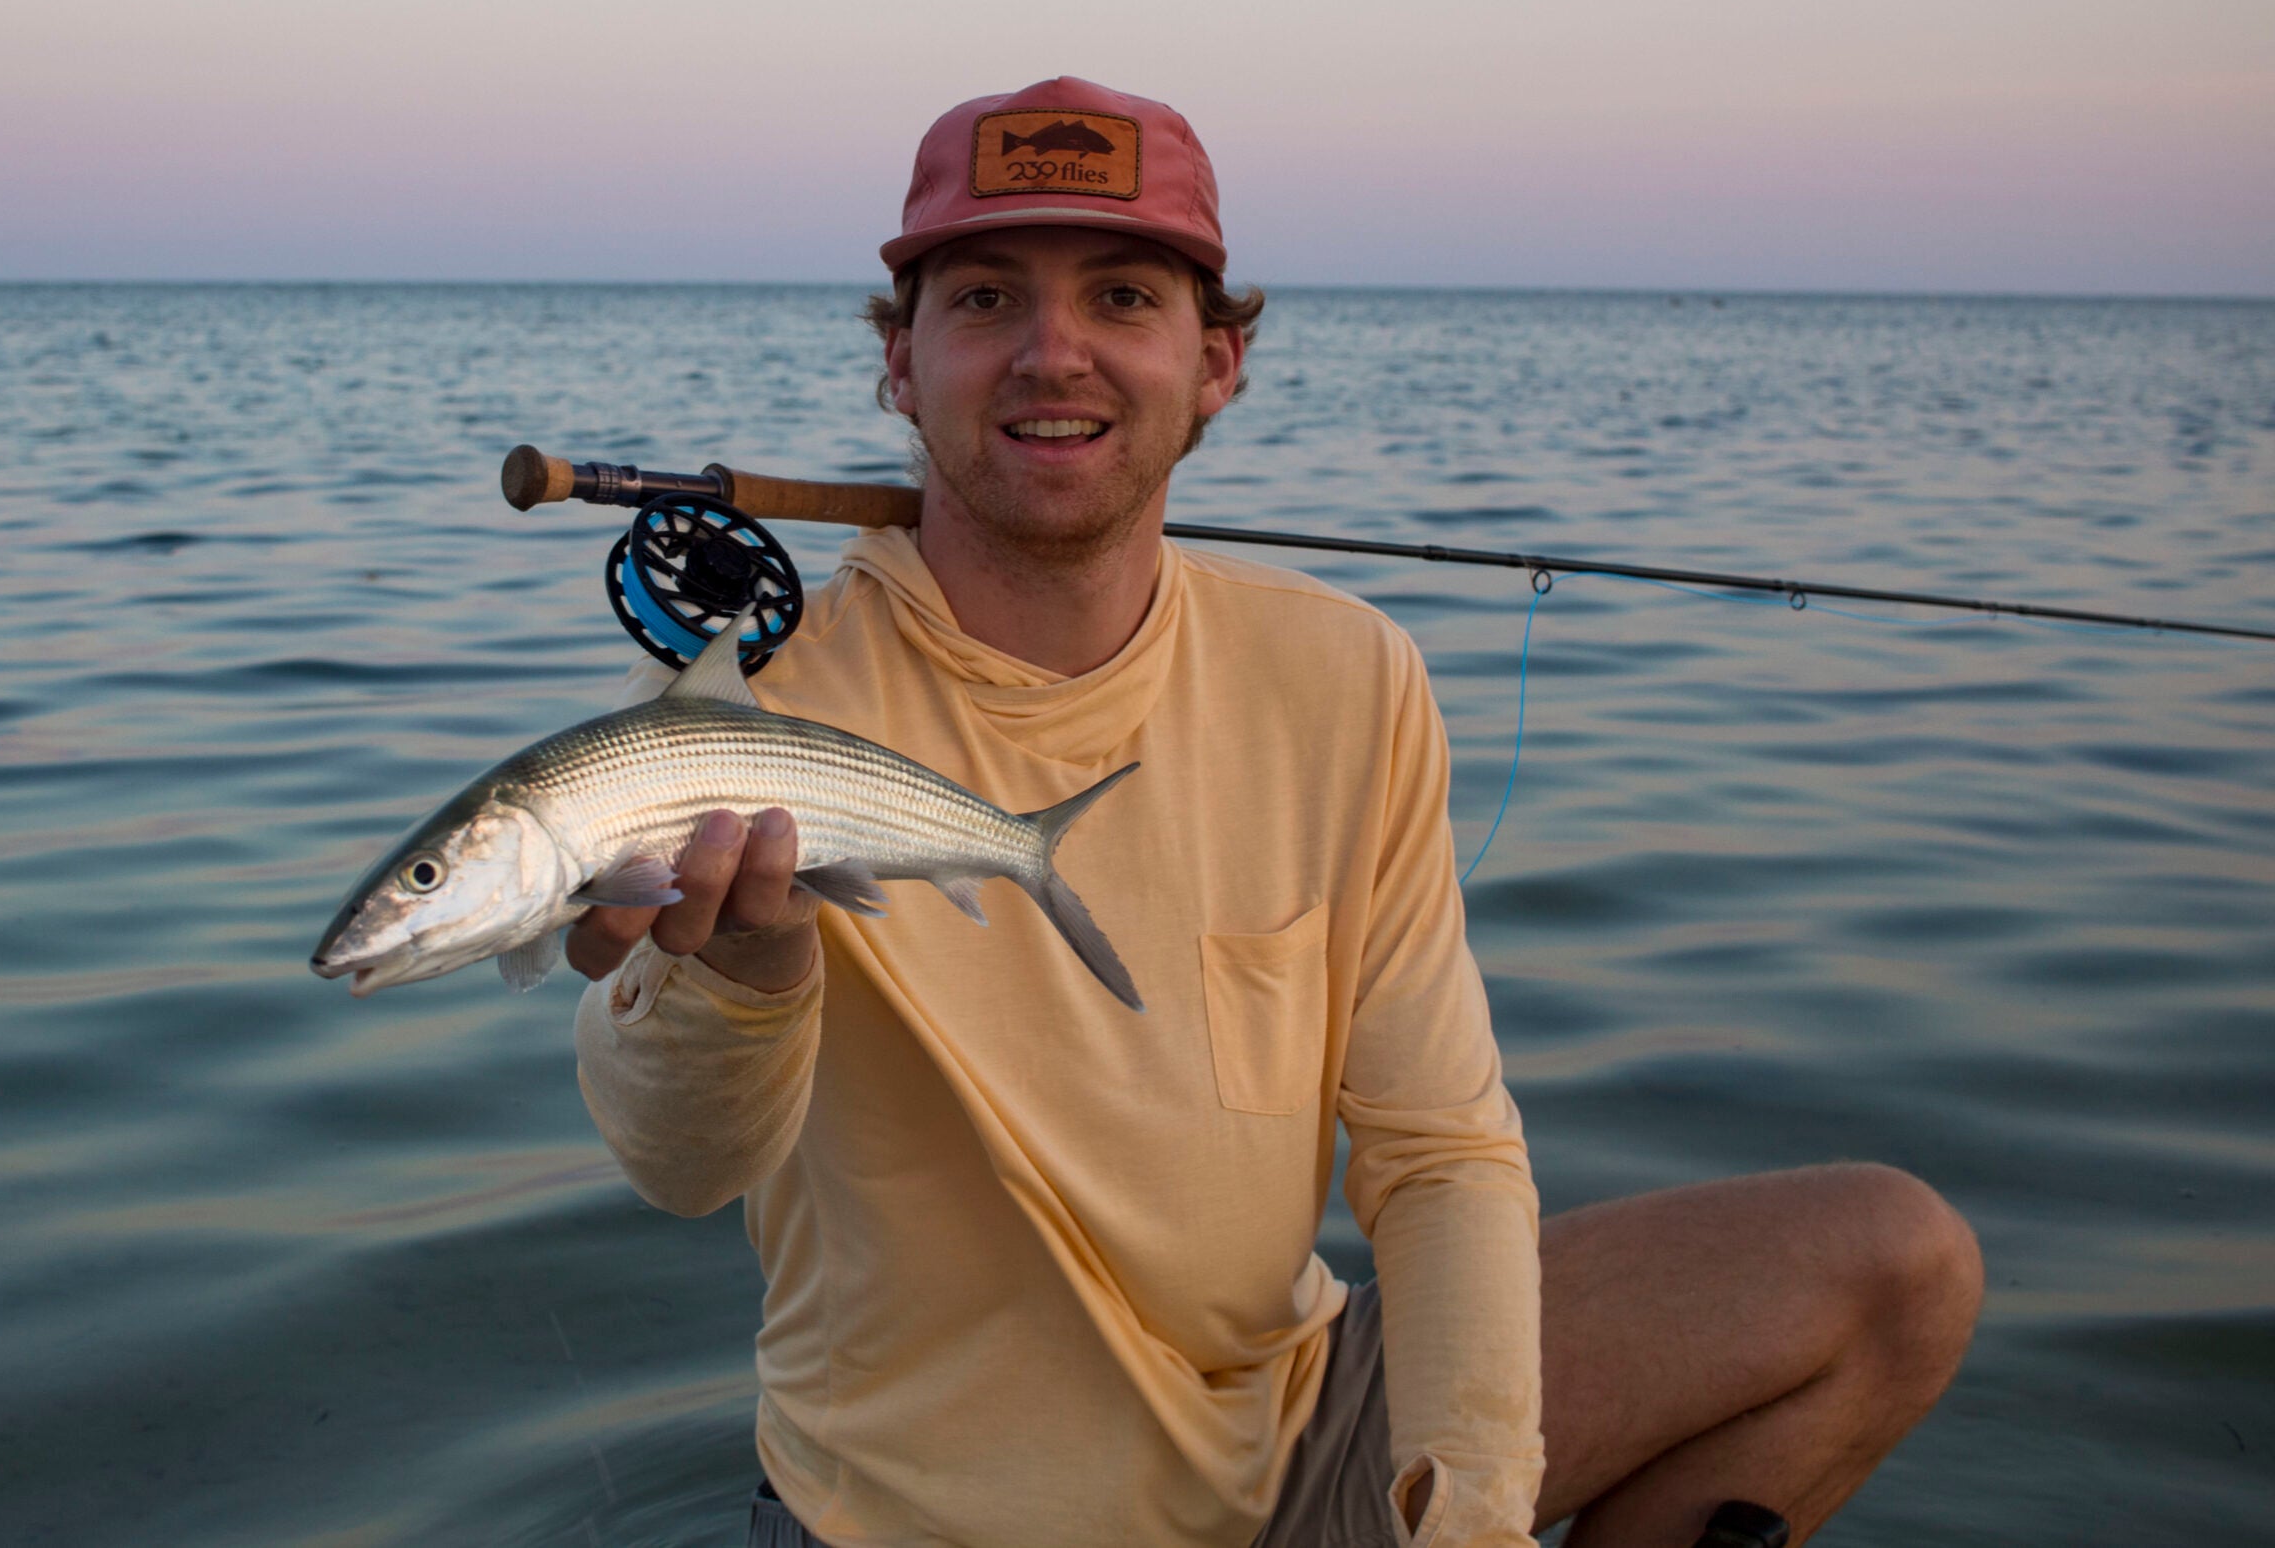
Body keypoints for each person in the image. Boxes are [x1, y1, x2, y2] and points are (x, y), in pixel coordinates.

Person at [570, 77, 1982, 1547]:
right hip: (924, 1517)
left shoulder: (1343, 672)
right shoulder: (753, 715)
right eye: (985, 300)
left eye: (1122, 297)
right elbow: (676, 1169)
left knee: (1895, 1267)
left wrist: (1473, 1506)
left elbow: (1441, 1153)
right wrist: (742, 970)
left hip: (1303, 1435)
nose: (1055, 356)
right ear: (898, 364)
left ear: (1218, 362)